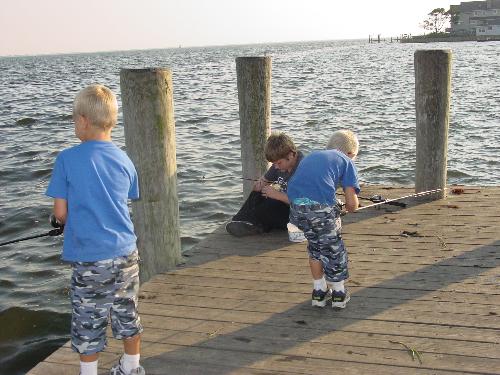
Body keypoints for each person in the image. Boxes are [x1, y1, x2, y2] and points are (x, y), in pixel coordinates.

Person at [46, 85, 145, 375]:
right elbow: (120, 198)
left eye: (74, 118)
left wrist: (62, 223)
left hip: (90, 258)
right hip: (126, 252)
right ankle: (131, 368)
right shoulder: (124, 159)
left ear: (84, 120)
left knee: (88, 320)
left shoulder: (66, 159)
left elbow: (61, 213)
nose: (74, 123)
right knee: (127, 313)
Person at [287, 130, 360, 309]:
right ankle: (338, 294)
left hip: (296, 208)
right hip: (320, 210)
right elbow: (352, 204)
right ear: (350, 154)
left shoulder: (313, 156)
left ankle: (319, 292)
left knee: (315, 247)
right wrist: (350, 208)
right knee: (334, 249)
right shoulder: (346, 161)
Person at [226, 132, 304, 236]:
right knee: (257, 194)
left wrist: (276, 195)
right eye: (274, 164)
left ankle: (256, 225)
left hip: (298, 216)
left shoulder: (304, 169)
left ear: (291, 154)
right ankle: (239, 220)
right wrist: (259, 185)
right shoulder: (279, 164)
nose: (276, 167)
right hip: (283, 206)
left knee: (269, 205)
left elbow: (304, 203)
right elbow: (265, 179)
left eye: (279, 163)